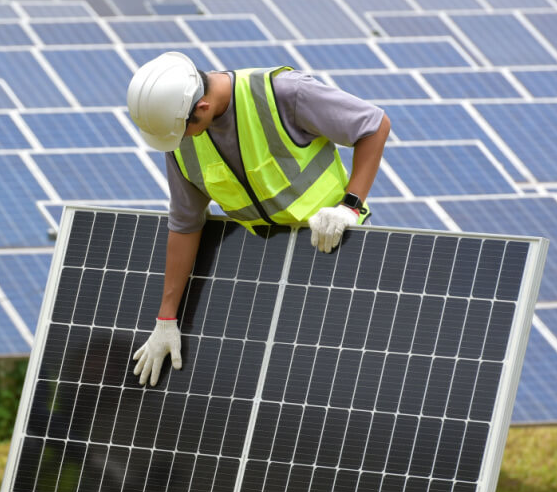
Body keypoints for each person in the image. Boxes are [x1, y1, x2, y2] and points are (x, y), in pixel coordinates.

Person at [126, 51, 391, 387]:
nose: (180, 142)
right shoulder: (179, 138)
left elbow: (374, 125)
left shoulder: (283, 94)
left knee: (345, 372)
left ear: (202, 109)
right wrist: (166, 318)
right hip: (270, 265)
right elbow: (185, 224)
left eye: (182, 132)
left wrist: (349, 207)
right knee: (283, 380)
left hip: (338, 247)